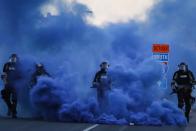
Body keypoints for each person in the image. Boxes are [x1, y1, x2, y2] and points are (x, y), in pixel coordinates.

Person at [1, 54, 20, 118]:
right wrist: (4, 80)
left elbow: (21, 75)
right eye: (12, 57)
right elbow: (4, 74)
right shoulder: (7, 64)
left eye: (14, 58)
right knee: (5, 96)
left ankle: (14, 113)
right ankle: (11, 108)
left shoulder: (19, 65)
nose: (13, 59)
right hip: (8, 84)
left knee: (14, 98)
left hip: (15, 84)